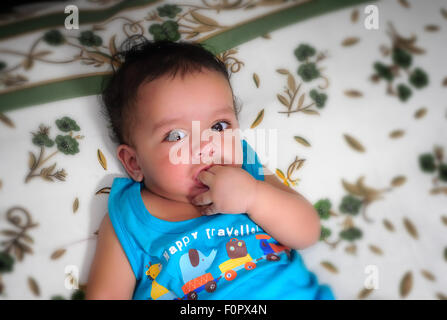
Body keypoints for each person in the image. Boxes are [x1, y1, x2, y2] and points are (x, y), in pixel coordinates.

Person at [86, 37, 336, 300]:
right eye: (176, 135)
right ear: (134, 163)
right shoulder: (129, 217)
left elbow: (307, 231)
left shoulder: (247, 171)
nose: (207, 145)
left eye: (219, 126)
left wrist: (254, 196)